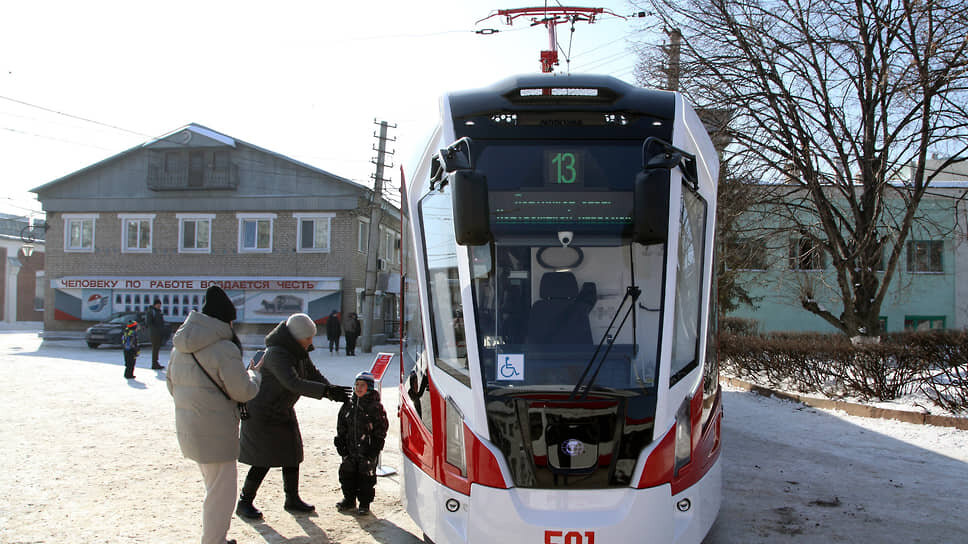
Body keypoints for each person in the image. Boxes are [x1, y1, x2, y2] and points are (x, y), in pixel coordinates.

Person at [167, 285, 262, 544]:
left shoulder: (179, 348)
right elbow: (244, 391)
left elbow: (171, 386)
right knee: (221, 496)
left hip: (189, 429)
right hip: (217, 434)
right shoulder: (224, 349)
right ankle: (214, 541)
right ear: (225, 319)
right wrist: (254, 374)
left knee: (213, 489)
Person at [236, 313, 351, 520]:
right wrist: (325, 392)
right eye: (308, 338)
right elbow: (293, 382)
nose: (311, 342)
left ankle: (292, 499)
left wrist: (331, 390)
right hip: (262, 413)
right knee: (263, 459)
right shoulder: (276, 354)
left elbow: (312, 373)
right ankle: (244, 502)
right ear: (297, 337)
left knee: (292, 454)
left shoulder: (297, 351)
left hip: (282, 409)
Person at [334, 371, 388, 516]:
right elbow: (341, 425)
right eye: (356, 384)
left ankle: (364, 503)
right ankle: (349, 499)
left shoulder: (375, 407)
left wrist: (375, 448)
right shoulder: (348, 405)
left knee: (366, 478)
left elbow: (381, 429)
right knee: (347, 474)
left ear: (369, 387)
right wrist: (341, 443)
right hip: (350, 450)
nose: (358, 388)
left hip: (367, 450)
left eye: (362, 385)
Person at [146, 298, 167, 370]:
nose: (159, 306)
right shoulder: (151, 312)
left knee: (157, 348)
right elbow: (149, 323)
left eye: (160, 305)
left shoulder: (159, 312)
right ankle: (154, 363)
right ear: (155, 305)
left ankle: (156, 362)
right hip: (154, 333)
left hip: (159, 333)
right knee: (155, 348)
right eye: (158, 305)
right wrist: (155, 330)